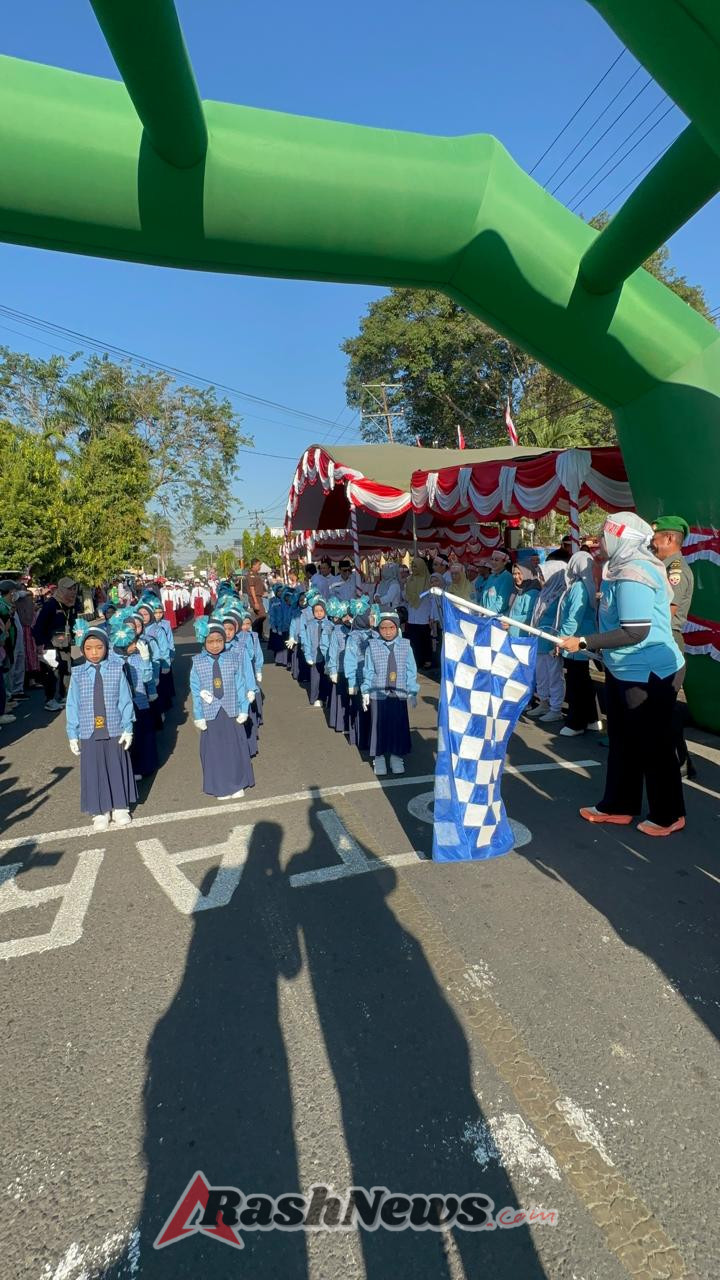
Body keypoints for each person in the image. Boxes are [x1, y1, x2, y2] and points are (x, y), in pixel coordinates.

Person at [558, 513, 686, 837]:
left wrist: (585, 641)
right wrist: (597, 650)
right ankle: (618, 806)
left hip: (649, 673)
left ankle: (668, 815)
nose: (598, 542)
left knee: (654, 746)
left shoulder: (633, 570)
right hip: (625, 669)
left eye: (603, 535)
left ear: (619, 537)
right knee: (623, 742)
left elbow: (636, 631)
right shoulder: (620, 565)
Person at [66, 620, 137, 830]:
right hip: (89, 730)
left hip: (114, 727)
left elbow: (125, 700)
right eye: (88, 648)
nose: (94, 652)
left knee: (116, 766)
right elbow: (72, 704)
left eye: (99, 647)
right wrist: (72, 733)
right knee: (94, 768)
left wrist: (128, 727)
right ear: (82, 650)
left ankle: (120, 806)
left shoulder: (116, 670)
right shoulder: (78, 674)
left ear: (106, 647)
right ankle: (100, 810)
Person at [650, 515, 696, 779]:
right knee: (658, 707)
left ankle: (679, 761)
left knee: (665, 706)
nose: (652, 542)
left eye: (656, 537)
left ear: (669, 538)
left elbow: (668, 611)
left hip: (666, 639)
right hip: (657, 639)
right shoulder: (660, 566)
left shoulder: (674, 569)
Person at [190, 617, 254, 800]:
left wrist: (244, 708)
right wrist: (199, 715)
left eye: (219, 640)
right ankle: (220, 785)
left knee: (234, 747)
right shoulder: (197, 662)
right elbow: (195, 691)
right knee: (215, 750)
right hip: (210, 712)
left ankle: (237, 782)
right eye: (210, 641)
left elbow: (240, 684)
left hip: (231, 709)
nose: (215, 645)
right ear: (204, 642)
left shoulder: (232, 658)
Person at [361, 609, 419, 777]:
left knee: (397, 725)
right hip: (378, 693)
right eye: (383, 628)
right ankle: (378, 757)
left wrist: (412, 690)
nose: (387, 632)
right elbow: (368, 670)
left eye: (391, 628)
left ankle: (396, 756)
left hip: (398, 692)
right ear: (378, 628)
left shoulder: (405, 646)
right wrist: (365, 690)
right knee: (378, 726)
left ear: (397, 627)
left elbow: (411, 670)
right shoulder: (372, 647)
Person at [555, 551, 602, 737]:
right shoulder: (587, 585)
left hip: (575, 641)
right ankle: (592, 718)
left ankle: (576, 722)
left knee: (576, 682)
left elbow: (573, 617)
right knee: (584, 681)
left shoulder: (578, 587)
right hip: (585, 638)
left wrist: (562, 639)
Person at [110, 618, 159, 782]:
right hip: (121, 705)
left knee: (142, 735)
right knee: (127, 737)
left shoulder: (137, 657)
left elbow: (146, 677)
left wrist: (146, 661)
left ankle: (143, 766)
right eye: (132, 643)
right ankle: (127, 768)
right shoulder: (112, 660)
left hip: (139, 699)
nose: (135, 646)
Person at [527, 560, 567, 722]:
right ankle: (543, 702)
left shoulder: (561, 594)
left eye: (544, 575)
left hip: (551, 642)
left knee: (554, 676)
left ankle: (556, 708)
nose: (540, 578)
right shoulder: (544, 592)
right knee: (541, 675)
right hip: (539, 640)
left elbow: (560, 619)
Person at [32, 577, 78, 711]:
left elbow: (71, 623)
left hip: (65, 644)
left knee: (66, 669)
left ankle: (65, 696)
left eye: (74, 589)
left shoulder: (71, 604)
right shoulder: (51, 605)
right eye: (69, 589)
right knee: (52, 673)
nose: (73, 592)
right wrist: (42, 645)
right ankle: (50, 700)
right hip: (50, 645)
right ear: (62, 589)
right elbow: (38, 628)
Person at [301, 598, 333, 707]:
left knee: (326, 678)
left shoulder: (330, 624)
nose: (319, 613)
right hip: (314, 656)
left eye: (321, 611)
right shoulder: (310, 625)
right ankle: (316, 697)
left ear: (325, 611)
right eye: (316, 611)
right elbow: (306, 641)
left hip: (326, 656)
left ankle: (326, 698)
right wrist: (307, 655)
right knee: (315, 678)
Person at [403, 556, 433, 669]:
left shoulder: (428, 580)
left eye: (416, 566)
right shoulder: (409, 580)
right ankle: (416, 661)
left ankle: (427, 660)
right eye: (413, 566)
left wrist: (431, 615)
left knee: (425, 639)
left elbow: (431, 598)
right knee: (414, 640)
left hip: (424, 615)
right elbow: (405, 595)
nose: (414, 568)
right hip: (412, 615)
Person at [505, 563, 541, 636]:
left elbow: (529, 615)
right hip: (513, 634)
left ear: (527, 574)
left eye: (519, 573)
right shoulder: (518, 590)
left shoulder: (532, 593)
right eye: (514, 574)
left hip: (522, 636)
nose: (516, 577)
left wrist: (510, 621)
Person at [246, 559, 267, 639]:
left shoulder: (256, 574)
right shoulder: (251, 575)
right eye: (258, 565)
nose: (260, 567)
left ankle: (259, 635)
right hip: (255, 598)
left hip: (259, 597)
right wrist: (255, 602)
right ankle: (252, 630)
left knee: (259, 617)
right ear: (254, 565)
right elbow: (252, 589)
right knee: (263, 616)